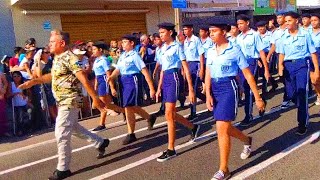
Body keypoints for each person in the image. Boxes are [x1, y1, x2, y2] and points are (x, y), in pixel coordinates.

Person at [18, 29, 110, 180]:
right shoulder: (58, 58)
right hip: (63, 100)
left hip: (71, 99)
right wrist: (34, 81)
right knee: (73, 128)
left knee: (61, 132)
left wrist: (95, 98)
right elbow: (52, 76)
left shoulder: (70, 58)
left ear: (62, 43)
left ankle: (63, 168)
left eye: (52, 42)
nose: (49, 44)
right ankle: (100, 142)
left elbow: (83, 79)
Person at [205, 22, 265, 180]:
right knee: (224, 128)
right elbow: (208, 72)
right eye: (209, 31)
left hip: (228, 87)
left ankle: (224, 169)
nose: (211, 34)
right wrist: (207, 94)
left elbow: (247, 74)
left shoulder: (235, 50)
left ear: (224, 32)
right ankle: (247, 139)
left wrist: (257, 97)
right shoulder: (210, 51)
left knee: (221, 127)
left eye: (214, 31)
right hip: (215, 88)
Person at [155, 22, 200, 162]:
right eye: (160, 33)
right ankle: (193, 127)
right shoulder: (162, 48)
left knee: (169, 114)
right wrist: (158, 88)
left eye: (163, 32)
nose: (160, 35)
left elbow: (185, 68)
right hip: (166, 79)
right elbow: (162, 70)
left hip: (175, 78)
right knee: (171, 114)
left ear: (170, 32)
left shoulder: (177, 47)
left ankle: (171, 149)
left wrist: (191, 89)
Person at [107, 34, 157, 145]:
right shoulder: (123, 56)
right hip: (124, 81)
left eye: (125, 42)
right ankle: (149, 117)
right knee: (132, 106)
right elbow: (118, 69)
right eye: (122, 42)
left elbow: (144, 71)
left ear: (132, 43)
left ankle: (131, 134)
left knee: (128, 107)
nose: (122, 44)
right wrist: (111, 77)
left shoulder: (135, 56)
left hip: (133, 80)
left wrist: (151, 88)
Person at [278, 11, 319, 135]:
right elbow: (281, 53)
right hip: (288, 65)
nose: (287, 23)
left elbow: (312, 53)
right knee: (291, 94)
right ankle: (302, 104)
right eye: (285, 21)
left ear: (296, 21)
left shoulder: (305, 35)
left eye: (289, 20)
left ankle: (302, 123)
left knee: (302, 94)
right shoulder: (283, 36)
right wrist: (280, 67)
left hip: (302, 64)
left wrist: (316, 70)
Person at [236, 14, 270, 126]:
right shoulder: (238, 37)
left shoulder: (255, 35)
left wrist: (266, 69)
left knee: (248, 89)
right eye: (238, 24)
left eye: (241, 23)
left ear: (247, 23)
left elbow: (261, 52)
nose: (239, 26)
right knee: (242, 87)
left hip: (252, 62)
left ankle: (248, 115)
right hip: (241, 64)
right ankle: (261, 100)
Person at [91, 41, 125, 132]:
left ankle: (102, 123)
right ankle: (125, 112)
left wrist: (112, 87)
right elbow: (96, 75)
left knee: (103, 102)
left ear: (100, 50)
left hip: (104, 80)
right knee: (107, 105)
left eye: (94, 49)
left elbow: (108, 74)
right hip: (99, 80)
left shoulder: (103, 60)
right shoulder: (96, 61)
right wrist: (95, 85)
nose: (92, 51)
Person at [182, 23, 206, 120]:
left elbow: (201, 54)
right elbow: (185, 56)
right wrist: (184, 69)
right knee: (191, 89)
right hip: (188, 65)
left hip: (196, 64)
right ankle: (208, 99)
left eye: (186, 29)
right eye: (183, 30)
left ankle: (193, 112)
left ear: (191, 29)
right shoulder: (185, 41)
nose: (185, 31)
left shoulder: (196, 40)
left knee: (195, 89)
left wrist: (201, 69)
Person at [32, 47, 57, 125]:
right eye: (46, 52)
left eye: (48, 52)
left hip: (54, 84)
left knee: (57, 102)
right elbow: (39, 76)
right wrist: (38, 62)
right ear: (41, 54)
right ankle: (55, 119)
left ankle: (59, 118)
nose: (48, 53)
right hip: (46, 87)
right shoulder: (37, 64)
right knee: (50, 103)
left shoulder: (51, 62)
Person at [7, 71, 33, 136]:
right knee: (20, 115)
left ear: (21, 77)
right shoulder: (11, 84)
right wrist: (17, 93)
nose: (16, 78)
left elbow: (29, 94)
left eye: (18, 76)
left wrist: (28, 100)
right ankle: (20, 131)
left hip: (25, 103)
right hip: (17, 105)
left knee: (32, 111)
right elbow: (8, 95)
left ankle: (30, 128)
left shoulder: (23, 83)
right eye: (14, 76)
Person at [256, 21, 278, 94]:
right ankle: (274, 83)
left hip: (268, 54)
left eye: (262, 27)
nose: (261, 29)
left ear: (265, 26)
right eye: (259, 27)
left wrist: (269, 56)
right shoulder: (256, 35)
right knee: (262, 73)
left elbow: (273, 45)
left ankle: (264, 90)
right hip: (259, 55)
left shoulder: (270, 34)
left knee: (266, 70)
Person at [310, 13, 320, 105]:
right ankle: (319, 95)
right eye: (312, 20)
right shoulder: (307, 33)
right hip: (310, 58)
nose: (313, 22)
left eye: (315, 20)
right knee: (314, 80)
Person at [0, 70, 9, 137]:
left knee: (2, 114)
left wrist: (4, 89)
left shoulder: (0, 73)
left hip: (0, 95)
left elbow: (5, 82)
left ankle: (4, 131)